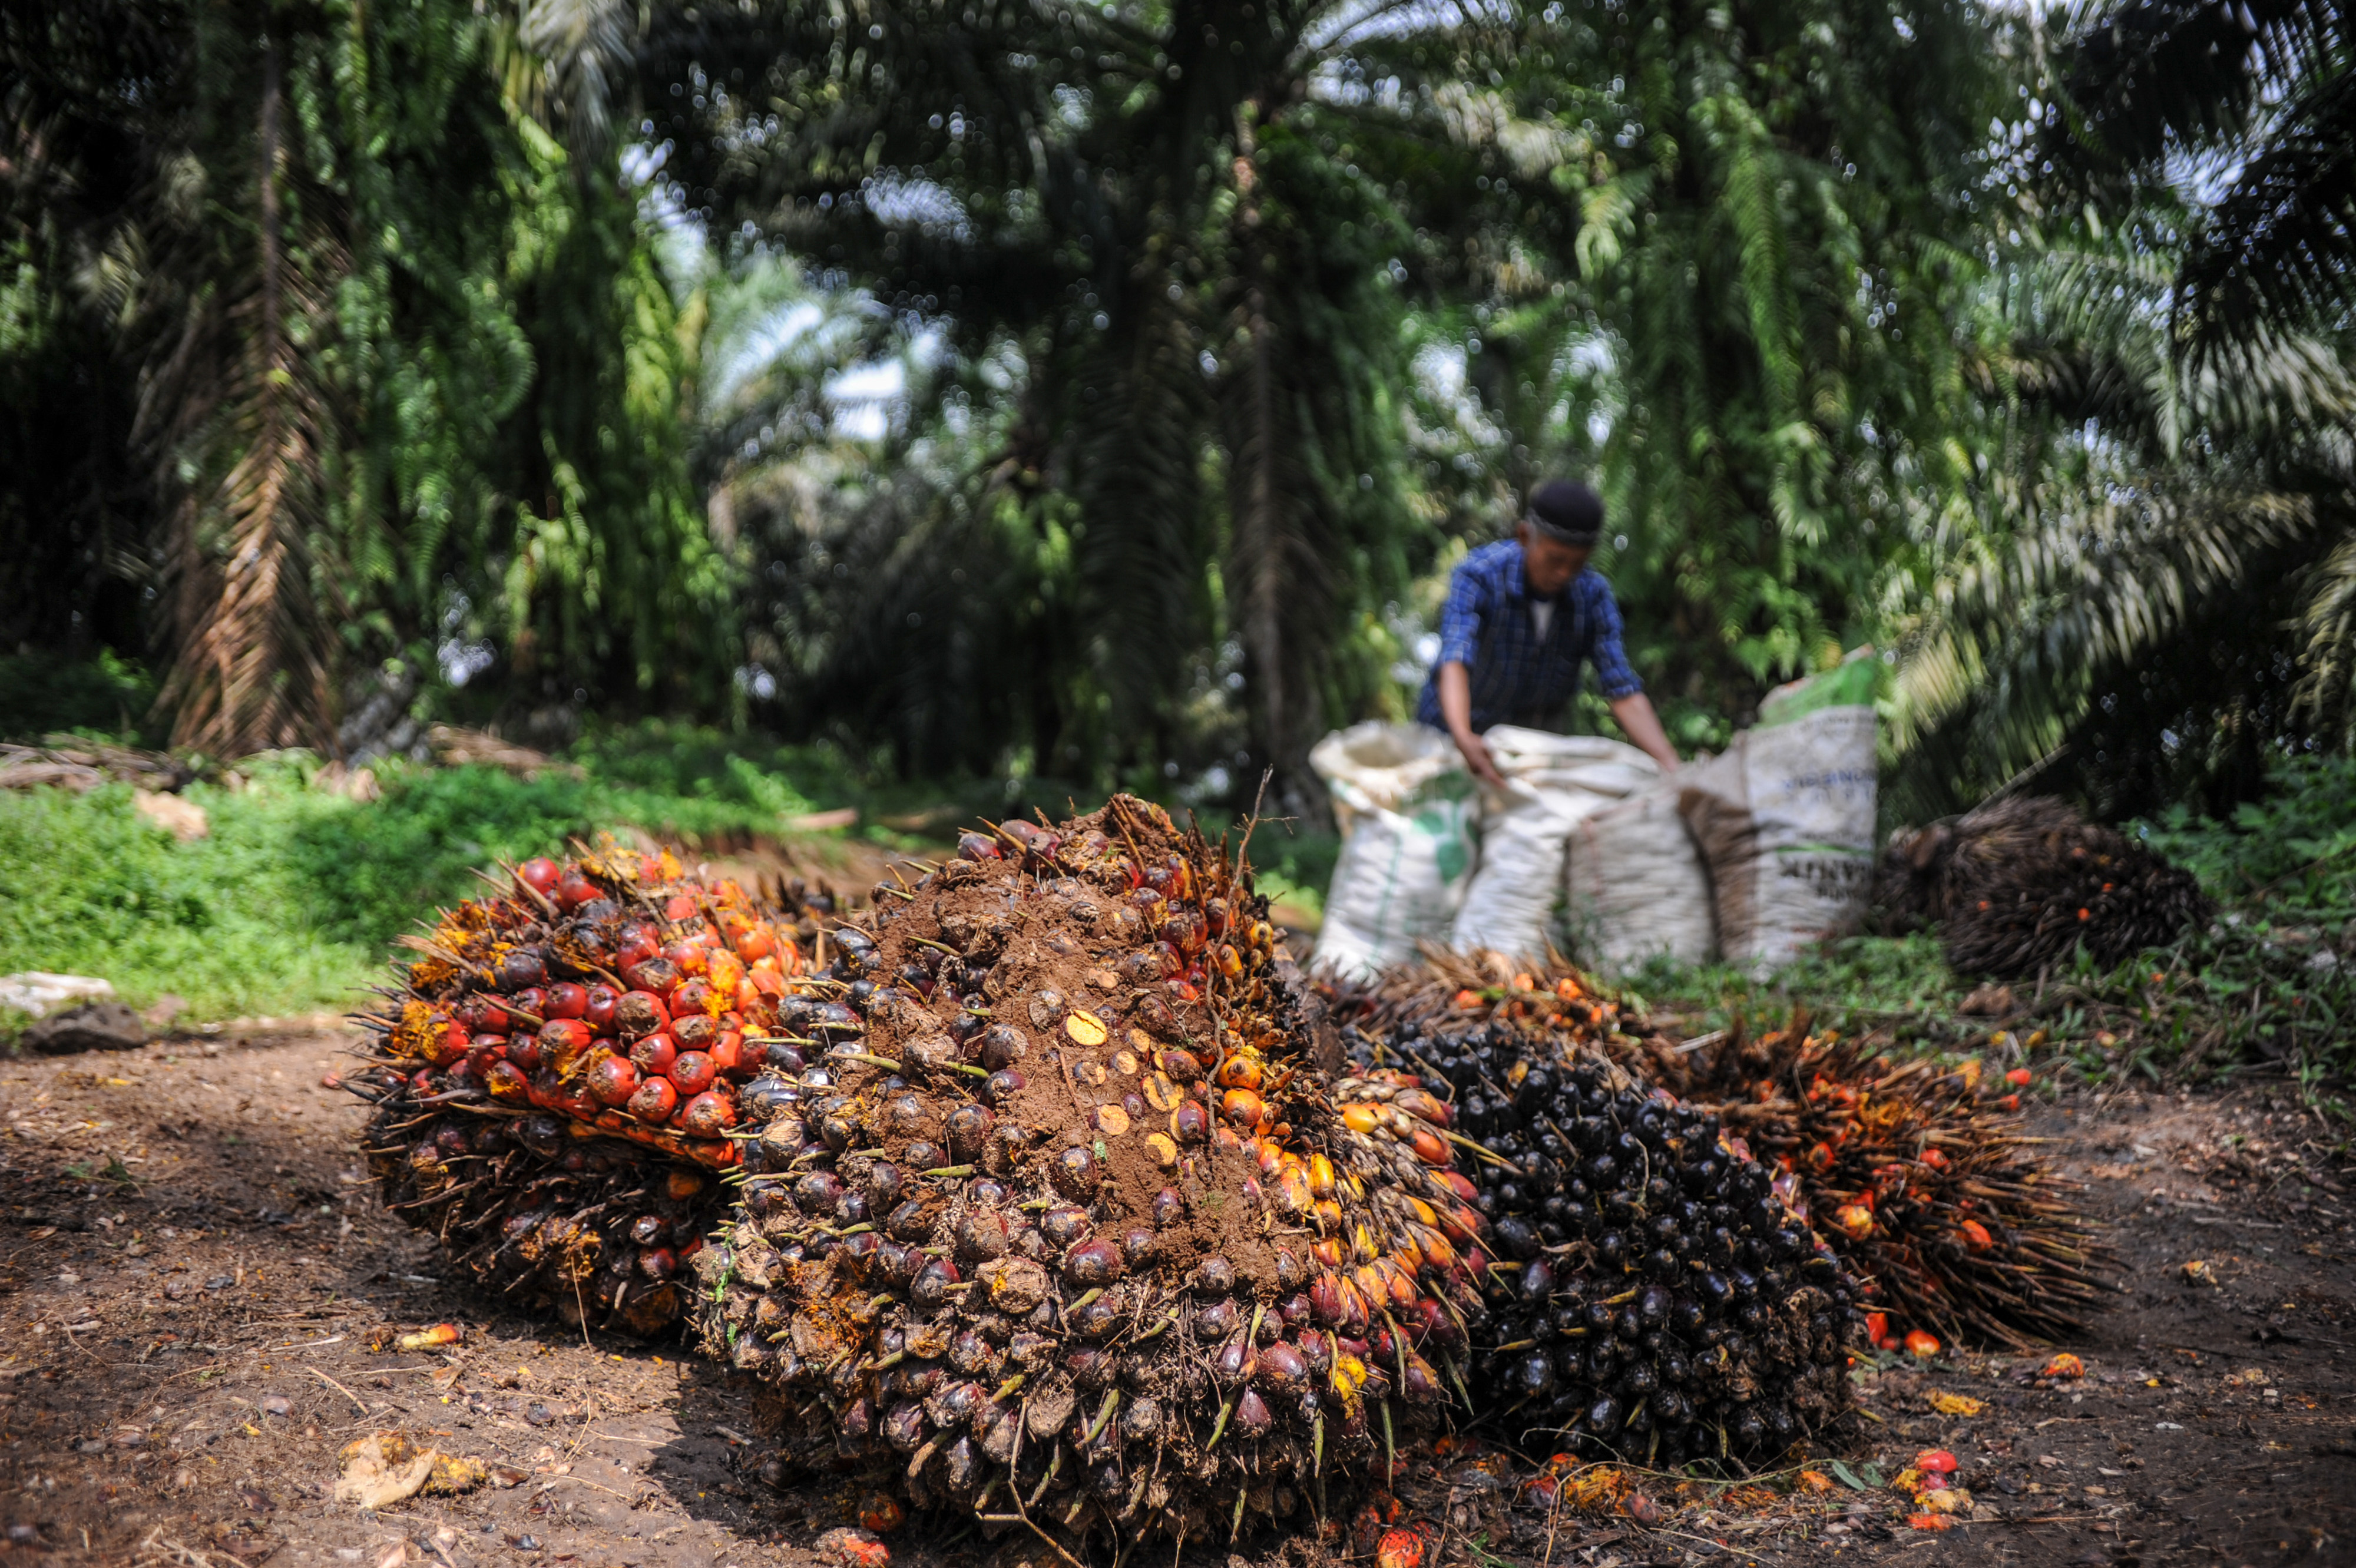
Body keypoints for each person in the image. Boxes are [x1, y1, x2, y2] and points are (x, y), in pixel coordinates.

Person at [1415, 479, 1680, 787]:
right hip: (1449, 736)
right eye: (1555, 560)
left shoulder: (1593, 597)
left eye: (1578, 564)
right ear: (1525, 536)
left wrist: (1673, 766)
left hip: (1529, 754)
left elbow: (1621, 688)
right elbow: (1456, 657)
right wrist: (1463, 736)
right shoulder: (1479, 575)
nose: (1564, 574)